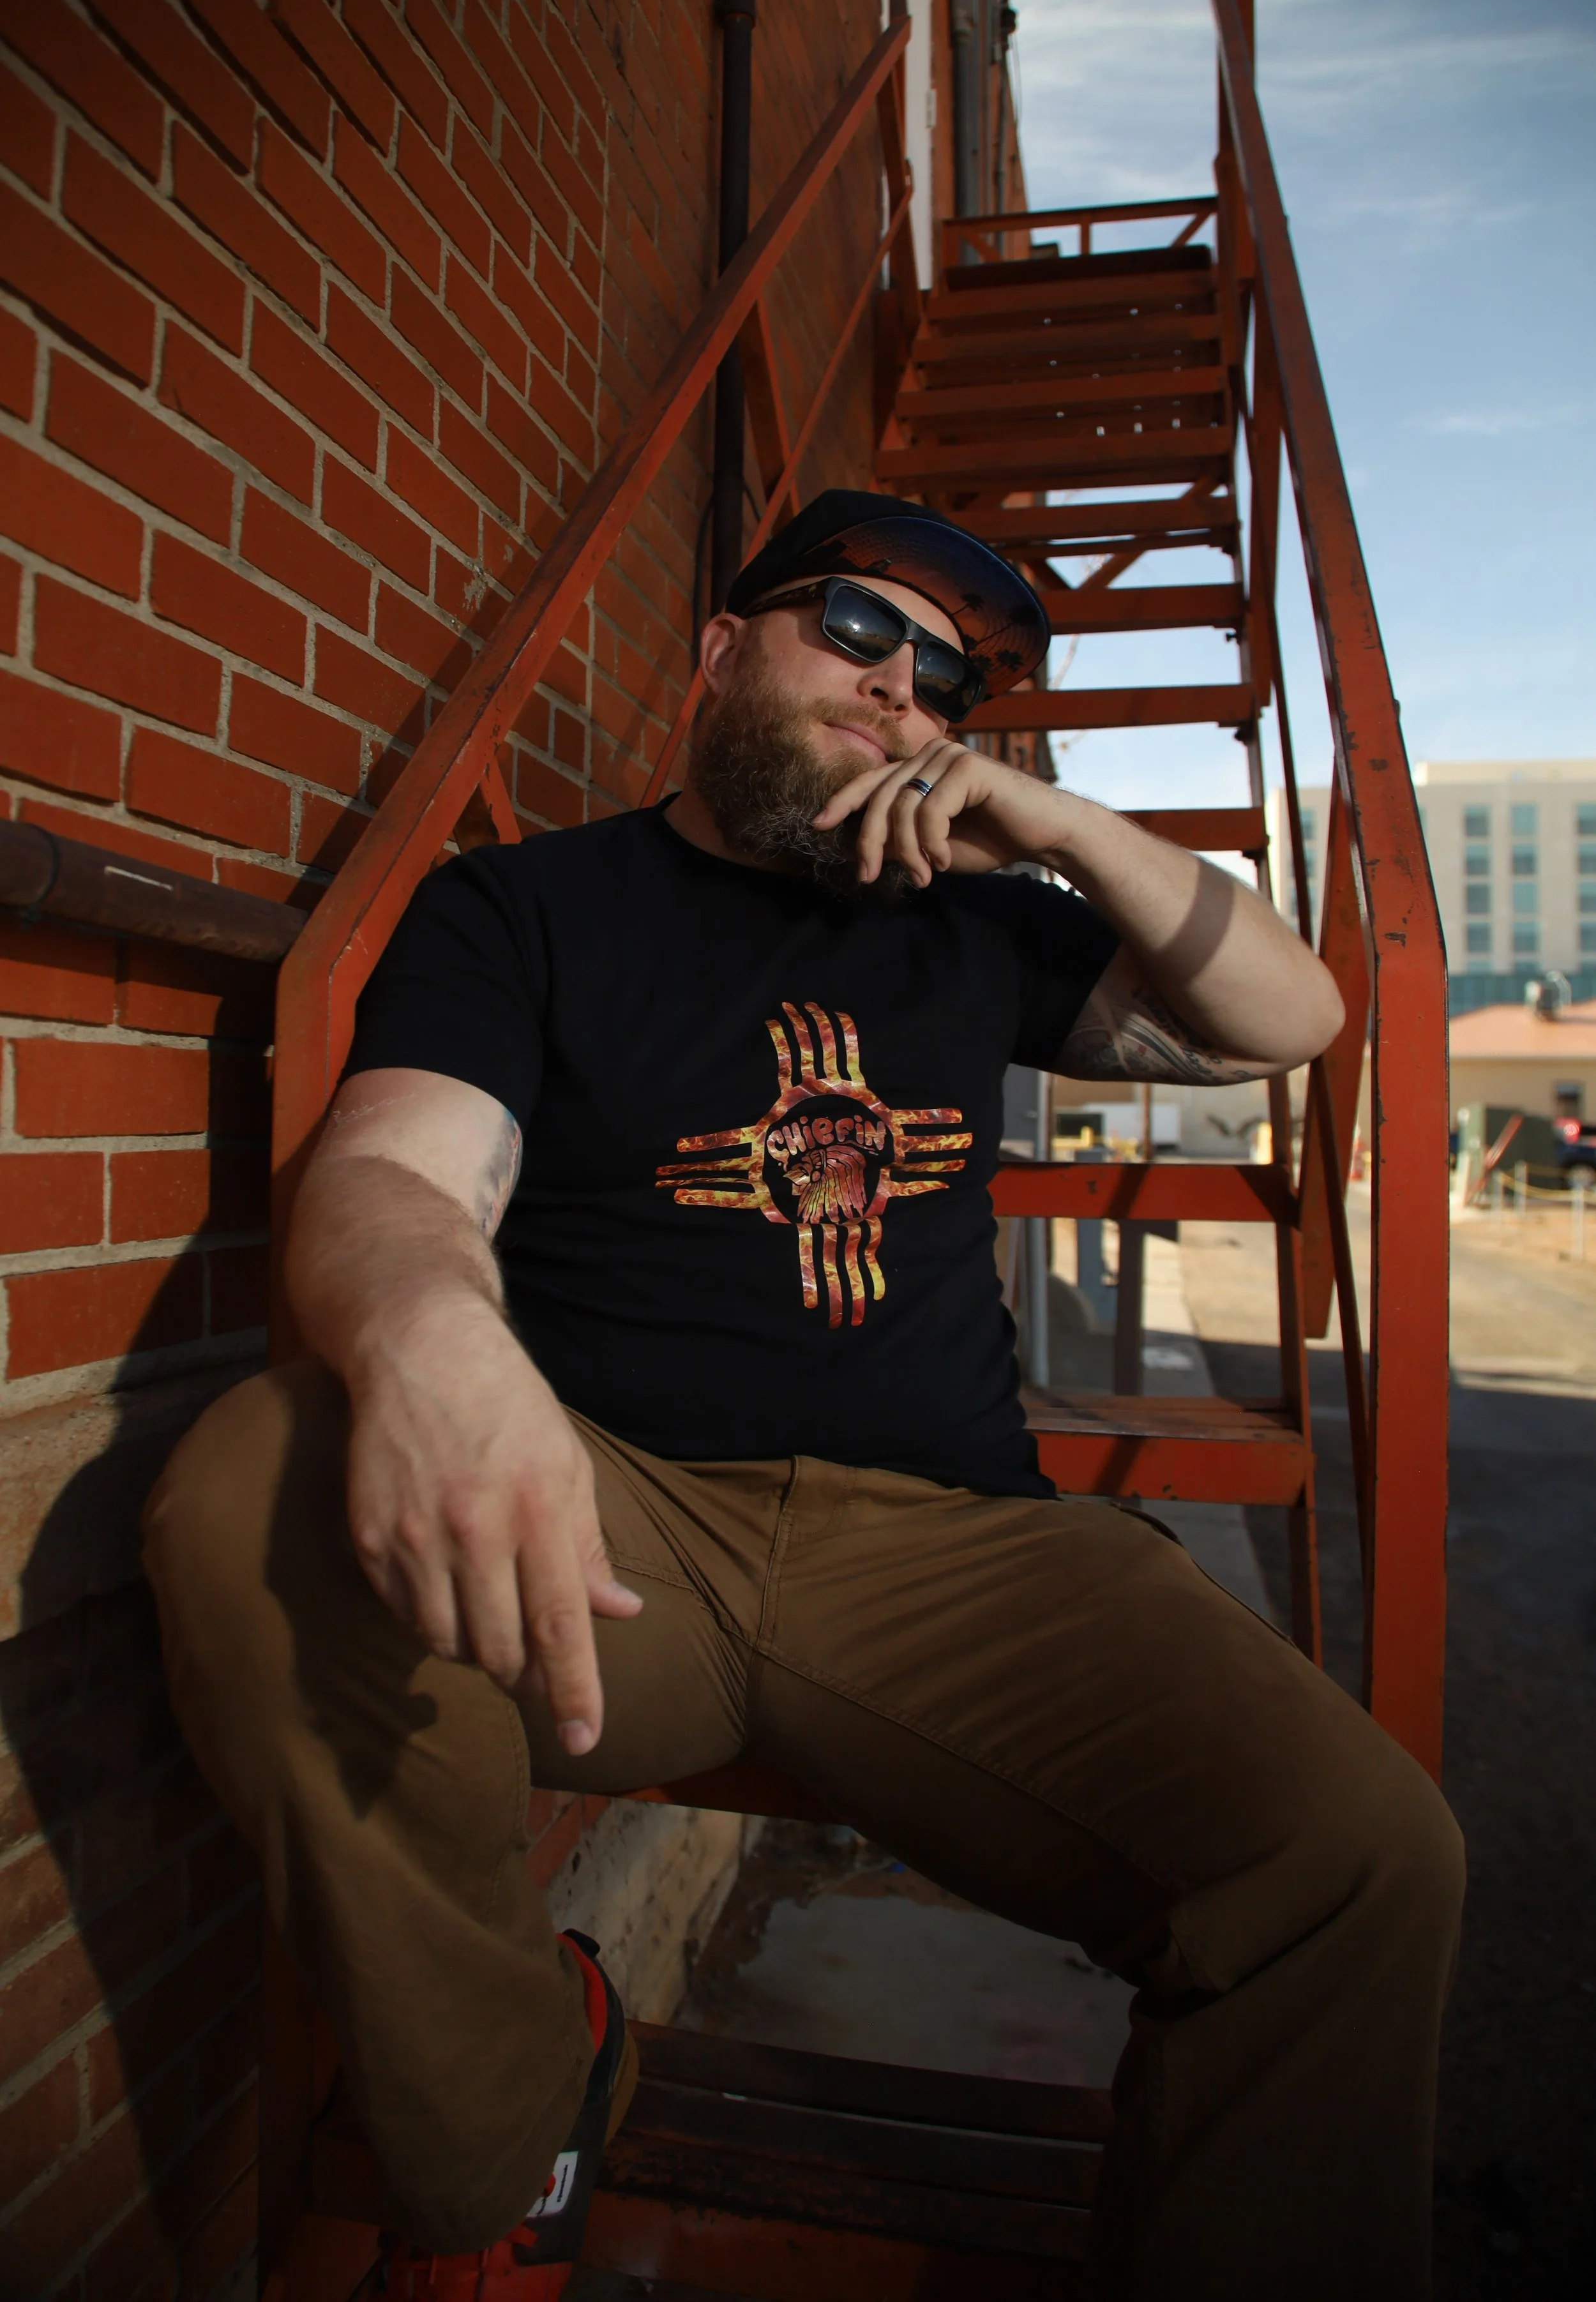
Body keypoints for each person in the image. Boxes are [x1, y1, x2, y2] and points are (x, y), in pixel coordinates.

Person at [145, 492, 1463, 2299]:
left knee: (1359, 1855)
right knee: (246, 1486)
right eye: (854, 625)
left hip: (954, 1547)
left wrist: (1053, 820)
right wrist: (437, 1340)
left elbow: (1291, 1021)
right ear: (717, 649)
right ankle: (517, 2111)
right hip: (619, 1517)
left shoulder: (978, 923)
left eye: (945, 682)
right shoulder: (529, 904)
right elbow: (390, 1178)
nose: (900, 687)